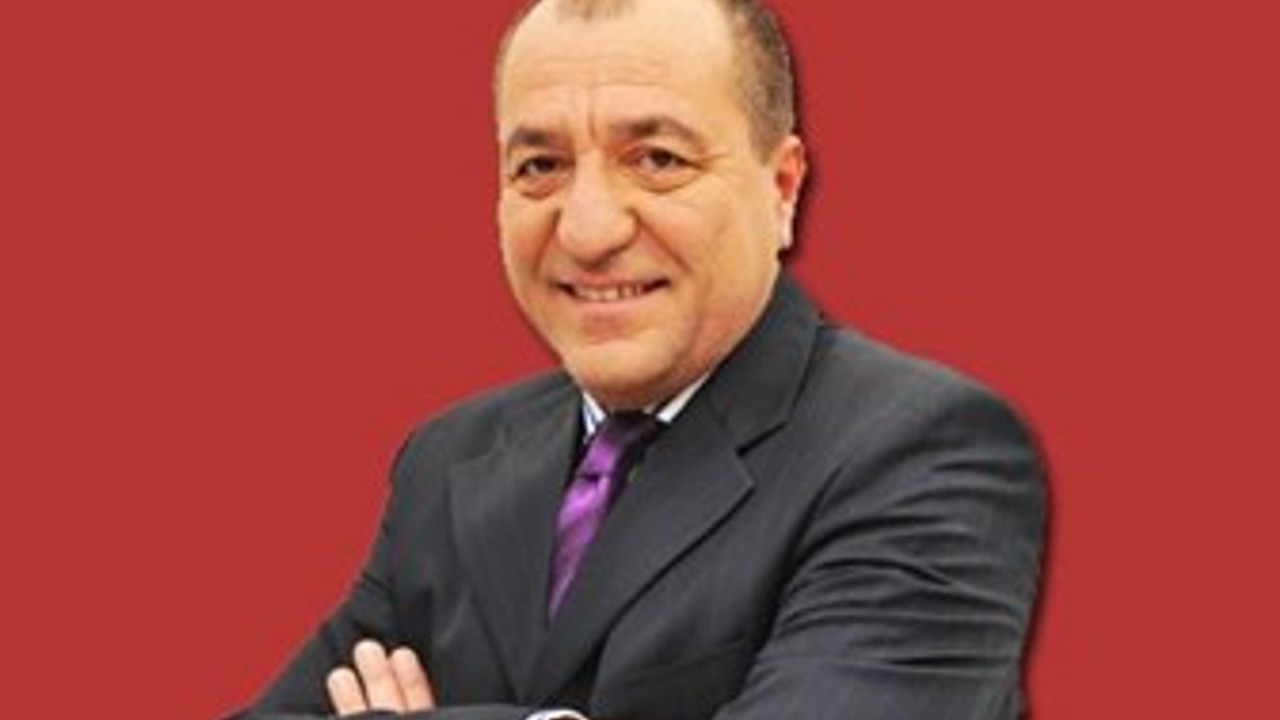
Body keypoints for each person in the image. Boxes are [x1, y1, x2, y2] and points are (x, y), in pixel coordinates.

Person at [230, 0, 1046, 718]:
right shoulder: (449, 458)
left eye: (657, 160)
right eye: (540, 167)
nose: (588, 230)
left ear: (783, 188)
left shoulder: (925, 451)